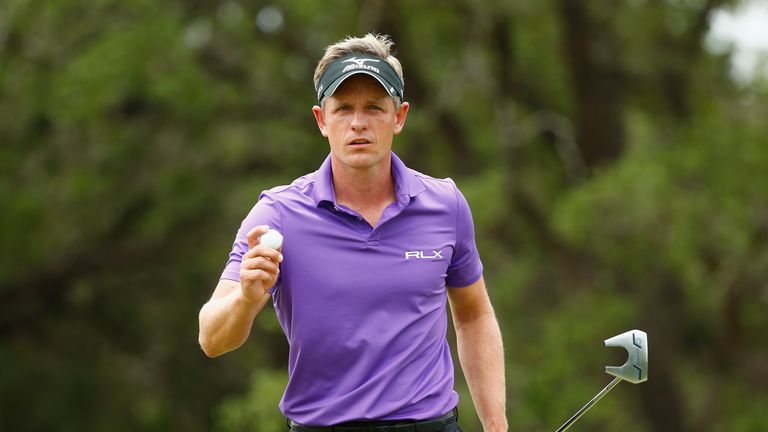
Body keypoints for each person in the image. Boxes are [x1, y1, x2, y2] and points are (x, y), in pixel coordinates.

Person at [198, 33, 507, 432]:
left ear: (399, 117)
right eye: (343, 108)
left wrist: (496, 425)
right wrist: (245, 298)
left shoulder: (445, 204)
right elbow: (212, 338)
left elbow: (473, 314)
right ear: (321, 120)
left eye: (374, 108)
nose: (358, 123)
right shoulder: (277, 214)